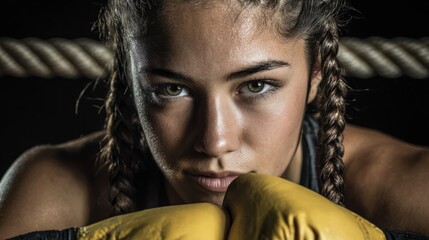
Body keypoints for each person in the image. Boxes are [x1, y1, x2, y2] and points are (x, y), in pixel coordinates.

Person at [1, 0, 429, 239]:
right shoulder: (54, 193)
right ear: (132, 79)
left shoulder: (404, 190)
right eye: (172, 89)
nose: (215, 140)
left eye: (256, 86)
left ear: (316, 71)